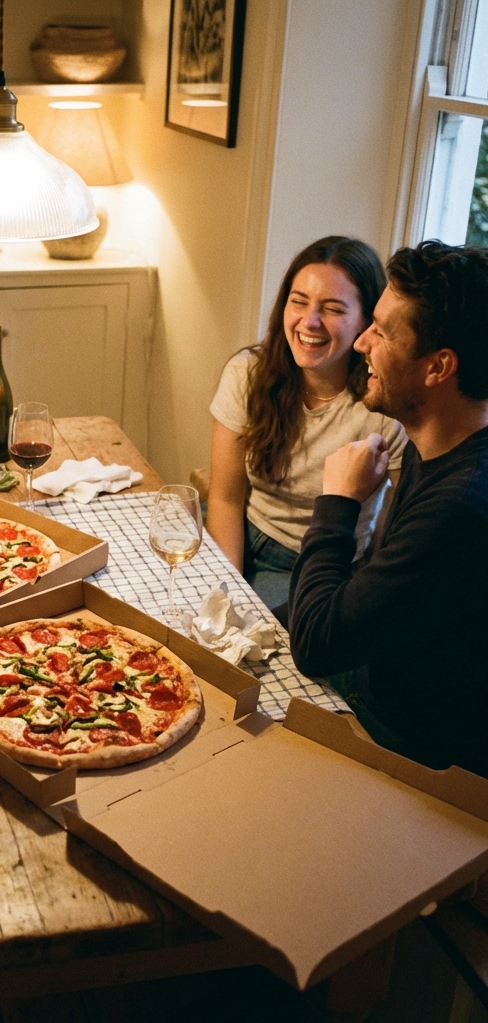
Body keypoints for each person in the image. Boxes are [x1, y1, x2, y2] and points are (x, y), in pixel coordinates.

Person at [289, 240, 488, 778]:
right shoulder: (438, 445)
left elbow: (315, 644)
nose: (360, 343)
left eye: (381, 330)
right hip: (377, 685)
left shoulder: (457, 508)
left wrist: (336, 503)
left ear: (438, 367)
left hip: (411, 755)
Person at [207, 236, 408, 609]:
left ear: (368, 321)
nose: (309, 321)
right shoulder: (247, 373)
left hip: (316, 566)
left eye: (332, 309)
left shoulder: (385, 403)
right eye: (298, 302)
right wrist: (225, 589)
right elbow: (224, 498)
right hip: (239, 537)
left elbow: (390, 535)